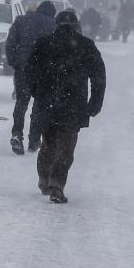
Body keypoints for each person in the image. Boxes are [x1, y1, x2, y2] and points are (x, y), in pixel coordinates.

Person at [25, 10, 105, 203]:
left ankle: (44, 180)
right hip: (73, 104)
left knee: (48, 144)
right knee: (66, 149)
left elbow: (29, 71)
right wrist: (95, 103)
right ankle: (57, 186)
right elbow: (98, 77)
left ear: (56, 24)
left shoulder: (43, 44)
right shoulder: (86, 45)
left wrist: (37, 92)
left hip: (47, 102)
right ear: (76, 25)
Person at [3, 0, 56, 155]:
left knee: (21, 102)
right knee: (39, 105)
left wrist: (14, 62)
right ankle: (34, 140)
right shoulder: (53, 24)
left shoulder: (21, 20)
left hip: (24, 68)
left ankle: (17, 134)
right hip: (44, 70)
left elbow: (10, 42)